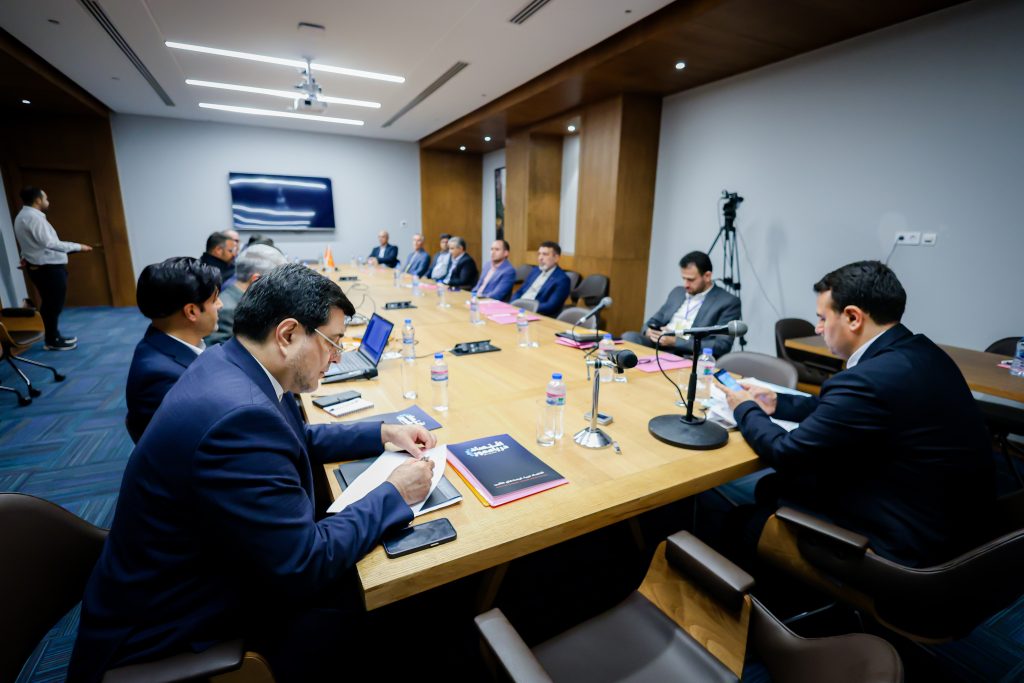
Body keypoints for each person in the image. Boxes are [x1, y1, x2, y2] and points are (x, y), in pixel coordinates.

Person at [69, 264, 436, 682]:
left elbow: (297, 438)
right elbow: (303, 563)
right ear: (288, 334)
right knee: (396, 604)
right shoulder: (240, 417)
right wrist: (394, 492)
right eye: (333, 343)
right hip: (176, 625)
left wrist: (381, 432)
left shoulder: (231, 362)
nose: (337, 358)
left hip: (189, 568)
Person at [717, 260, 994, 569]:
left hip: (908, 550)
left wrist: (744, 407)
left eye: (822, 318)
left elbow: (785, 453)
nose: (817, 328)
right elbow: (846, 410)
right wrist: (776, 403)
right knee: (772, 488)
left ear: (852, 317)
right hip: (960, 525)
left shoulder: (866, 380)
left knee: (743, 517)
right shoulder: (922, 353)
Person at [125, 257, 222, 443]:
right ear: (191, 311)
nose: (220, 305)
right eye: (214, 299)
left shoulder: (160, 340)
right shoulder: (163, 377)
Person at [13, 187, 93, 350]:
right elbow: (49, 243)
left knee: (50, 304)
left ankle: (53, 336)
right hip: (48, 269)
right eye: (46, 198)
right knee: (53, 305)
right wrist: (78, 247)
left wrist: (24, 257)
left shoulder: (23, 216)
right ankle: (52, 340)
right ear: (38, 200)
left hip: (42, 267)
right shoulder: (33, 218)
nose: (47, 201)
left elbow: (28, 243)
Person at [622, 251, 741, 358]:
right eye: (683, 278)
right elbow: (652, 321)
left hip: (687, 353)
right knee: (629, 337)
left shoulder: (728, 302)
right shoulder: (677, 292)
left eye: (691, 280)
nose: (686, 285)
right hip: (660, 344)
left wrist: (675, 341)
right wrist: (649, 331)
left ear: (707, 276)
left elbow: (722, 345)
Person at [205, 245, 287, 346]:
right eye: (278, 281)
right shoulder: (227, 310)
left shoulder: (246, 301)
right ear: (256, 280)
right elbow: (218, 351)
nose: (280, 287)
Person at [511, 241, 571, 316]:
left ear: (556, 258)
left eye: (545, 254)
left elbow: (551, 306)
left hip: (536, 314)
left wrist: (525, 308)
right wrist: (513, 304)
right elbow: (520, 291)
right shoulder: (535, 271)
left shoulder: (562, 280)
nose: (540, 258)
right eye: (539, 254)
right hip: (519, 310)